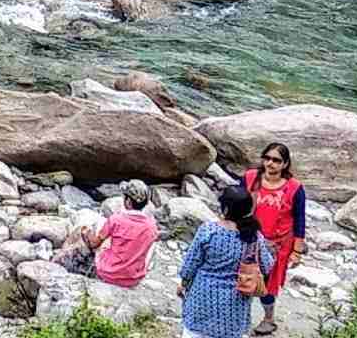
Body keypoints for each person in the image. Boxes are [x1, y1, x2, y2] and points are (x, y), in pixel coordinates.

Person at [178, 186, 274, 338]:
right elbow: (267, 266)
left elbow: (190, 265)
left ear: (226, 209)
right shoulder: (253, 237)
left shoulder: (209, 231)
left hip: (202, 299)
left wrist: (183, 284)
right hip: (235, 306)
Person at [244, 143, 306, 336]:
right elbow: (236, 202)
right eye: (267, 158)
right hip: (249, 239)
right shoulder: (251, 178)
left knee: (268, 284)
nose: (270, 163)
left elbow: (300, 220)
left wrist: (296, 251)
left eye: (276, 160)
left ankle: (269, 318)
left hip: (277, 245)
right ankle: (237, 315)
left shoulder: (295, 188)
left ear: (285, 164)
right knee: (242, 277)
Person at [80, 180, 159, 288]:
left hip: (109, 274)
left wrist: (86, 233)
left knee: (102, 229)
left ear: (128, 202)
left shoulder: (116, 219)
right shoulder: (152, 226)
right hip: (133, 278)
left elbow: (94, 244)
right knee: (150, 245)